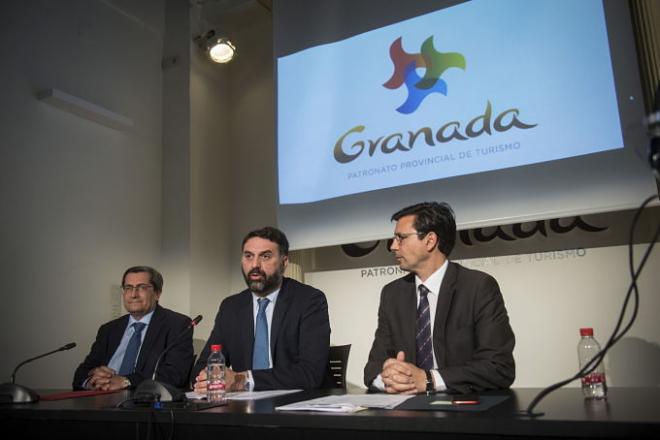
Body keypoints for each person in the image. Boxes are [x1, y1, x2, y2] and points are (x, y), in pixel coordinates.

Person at [364, 202, 515, 394]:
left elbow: (499, 367)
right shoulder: (392, 293)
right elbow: (372, 369)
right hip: (405, 412)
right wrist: (389, 378)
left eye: (401, 238)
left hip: (462, 411)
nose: (393, 246)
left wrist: (428, 380)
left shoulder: (477, 287)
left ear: (430, 240)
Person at [191, 226, 330, 392]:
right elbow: (203, 367)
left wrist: (242, 380)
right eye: (248, 256)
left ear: (284, 262)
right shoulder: (231, 307)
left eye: (265, 256)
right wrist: (205, 379)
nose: (255, 265)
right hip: (244, 407)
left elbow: (310, 374)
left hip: (296, 404)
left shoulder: (309, 300)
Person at [73, 266, 194, 391]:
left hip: (143, 404)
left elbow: (175, 374)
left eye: (141, 288)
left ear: (157, 293)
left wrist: (126, 381)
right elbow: (82, 373)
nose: (133, 294)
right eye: (128, 288)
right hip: (99, 400)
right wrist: (92, 380)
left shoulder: (177, 324)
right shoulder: (109, 330)